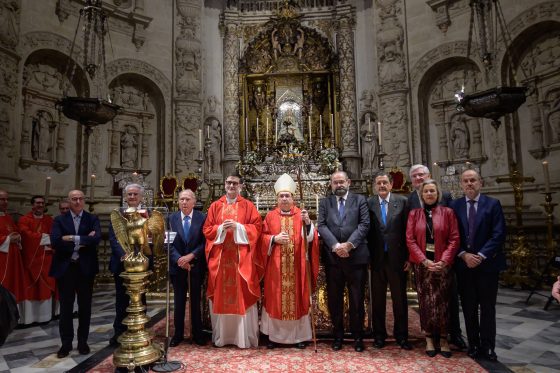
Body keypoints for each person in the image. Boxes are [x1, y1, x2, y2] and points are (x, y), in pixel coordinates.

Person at [450, 169, 506, 361]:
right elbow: (451, 235)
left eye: (473, 180)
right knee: (468, 306)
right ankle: (473, 344)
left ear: (480, 182)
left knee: (488, 307)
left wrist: (480, 255)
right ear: (461, 184)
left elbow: (498, 235)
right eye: (465, 181)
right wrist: (464, 255)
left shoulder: (493, 204)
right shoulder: (454, 206)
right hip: (464, 265)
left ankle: (488, 346)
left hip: (488, 265)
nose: (469, 184)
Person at [408, 164, 466, 350]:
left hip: (444, 262)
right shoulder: (412, 207)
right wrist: (422, 260)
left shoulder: (447, 208)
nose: (429, 193)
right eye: (415, 176)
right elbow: (409, 238)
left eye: (432, 190)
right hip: (423, 263)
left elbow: (455, 237)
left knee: (446, 300)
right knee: (425, 301)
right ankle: (429, 338)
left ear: (437, 193)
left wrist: (444, 260)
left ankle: (447, 336)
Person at [260, 173, 319, 349]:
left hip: (297, 266)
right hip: (276, 268)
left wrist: (308, 224)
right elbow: (262, 238)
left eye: (287, 195)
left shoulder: (302, 215)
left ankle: (298, 337)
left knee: (298, 299)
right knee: (275, 299)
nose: (284, 198)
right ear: (277, 198)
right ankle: (274, 337)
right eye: (281, 196)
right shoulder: (270, 217)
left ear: (293, 197)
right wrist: (273, 239)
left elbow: (311, 239)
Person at [203, 174, 263, 348]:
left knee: (242, 295)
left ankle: (242, 338)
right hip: (221, 261)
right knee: (221, 295)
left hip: (241, 261)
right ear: (224, 184)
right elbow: (207, 229)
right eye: (228, 182)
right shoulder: (215, 206)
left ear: (240, 186)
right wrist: (221, 228)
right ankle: (223, 337)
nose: (231, 186)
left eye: (235, 183)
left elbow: (257, 228)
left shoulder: (248, 206)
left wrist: (239, 227)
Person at [317, 171, 370, 352]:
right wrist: (335, 245)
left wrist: (348, 245)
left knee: (357, 300)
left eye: (341, 182)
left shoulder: (360, 200)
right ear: (331, 184)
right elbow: (321, 225)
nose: (338, 185)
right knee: (334, 300)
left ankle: (357, 336)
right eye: (335, 182)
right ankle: (337, 335)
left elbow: (364, 224)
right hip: (334, 259)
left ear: (348, 182)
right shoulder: (325, 202)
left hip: (356, 257)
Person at [50, 189, 101, 358]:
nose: (77, 202)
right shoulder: (59, 220)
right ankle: (66, 344)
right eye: (74, 199)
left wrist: (70, 238)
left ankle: (82, 342)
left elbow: (96, 239)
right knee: (66, 307)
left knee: (85, 307)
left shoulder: (92, 218)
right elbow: (56, 242)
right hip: (66, 268)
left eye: (80, 198)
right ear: (69, 201)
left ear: (84, 200)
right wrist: (82, 239)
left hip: (85, 268)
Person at [368, 172, 412, 351]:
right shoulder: (369, 203)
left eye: (385, 182)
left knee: (399, 299)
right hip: (376, 259)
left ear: (391, 184)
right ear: (374, 186)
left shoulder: (402, 202)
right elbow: (366, 232)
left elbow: (408, 232)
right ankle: (379, 335)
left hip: (397, 259)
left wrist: (409, 257)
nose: (382, 186)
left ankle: (401, 335)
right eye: (378, 183)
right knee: (377, 300)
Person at [108, 183, 146, 346]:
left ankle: (141, 329)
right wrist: (124, 254)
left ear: (141, 197)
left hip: (140, 264)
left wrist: (140, 255)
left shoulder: (147, 214)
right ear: (125, 197)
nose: (132, 197)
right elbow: (114, 238)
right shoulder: (118, 214)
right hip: (122, 263)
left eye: (135, 194)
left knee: (141, 298)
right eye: (129, 194)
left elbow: (147, 238)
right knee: (121, 299)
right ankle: (119, 331)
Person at [168, 189, 207, 347]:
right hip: (177, 267)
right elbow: (167, 242)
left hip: (195, 266)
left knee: (196, 301)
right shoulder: (171, 218)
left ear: (194, 201)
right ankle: (178, 334)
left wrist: (192, 256)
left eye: (187, 199)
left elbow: (205, 242)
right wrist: (179, 259)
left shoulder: (202, 218)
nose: (184, 202)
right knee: (178, 302)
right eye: (181, 199)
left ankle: (198, 333)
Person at [18, 195, 56, 324]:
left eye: (42, 203)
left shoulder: (49, 220)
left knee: (45, 288)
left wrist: (44, 238)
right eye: (37, 203)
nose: (40, 205)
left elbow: (55, 235)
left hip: (47, 260)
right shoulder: (24, 219)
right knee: (30, 288)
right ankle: (29, 318)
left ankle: (44, 317)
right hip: (31, 260)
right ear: (32, 205)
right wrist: (45, 238)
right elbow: (25, 235)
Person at [0, 189, 27, 317]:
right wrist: (8, 239)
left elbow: (16, 231)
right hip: (2, 258)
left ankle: (10, 316)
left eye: (6, 199)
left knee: (12, 285)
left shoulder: (7, 216)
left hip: (13, 256)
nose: (5, 202)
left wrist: (18, 237)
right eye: (2, 199)